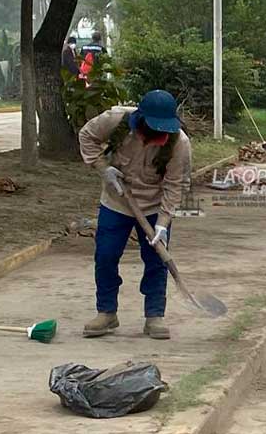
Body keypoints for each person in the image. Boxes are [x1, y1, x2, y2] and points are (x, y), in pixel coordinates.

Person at [78, 90, 192, 340]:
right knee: (106, 255)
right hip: (116, 200)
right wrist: (102, 168)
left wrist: (163, 223)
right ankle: (107, 312)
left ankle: (154, 316)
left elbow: (175, 185)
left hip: (153, 207)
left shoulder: (178, 143)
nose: (158, 136)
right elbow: (86, 135)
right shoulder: (115, 121)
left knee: (155, 261)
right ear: (140, 120)